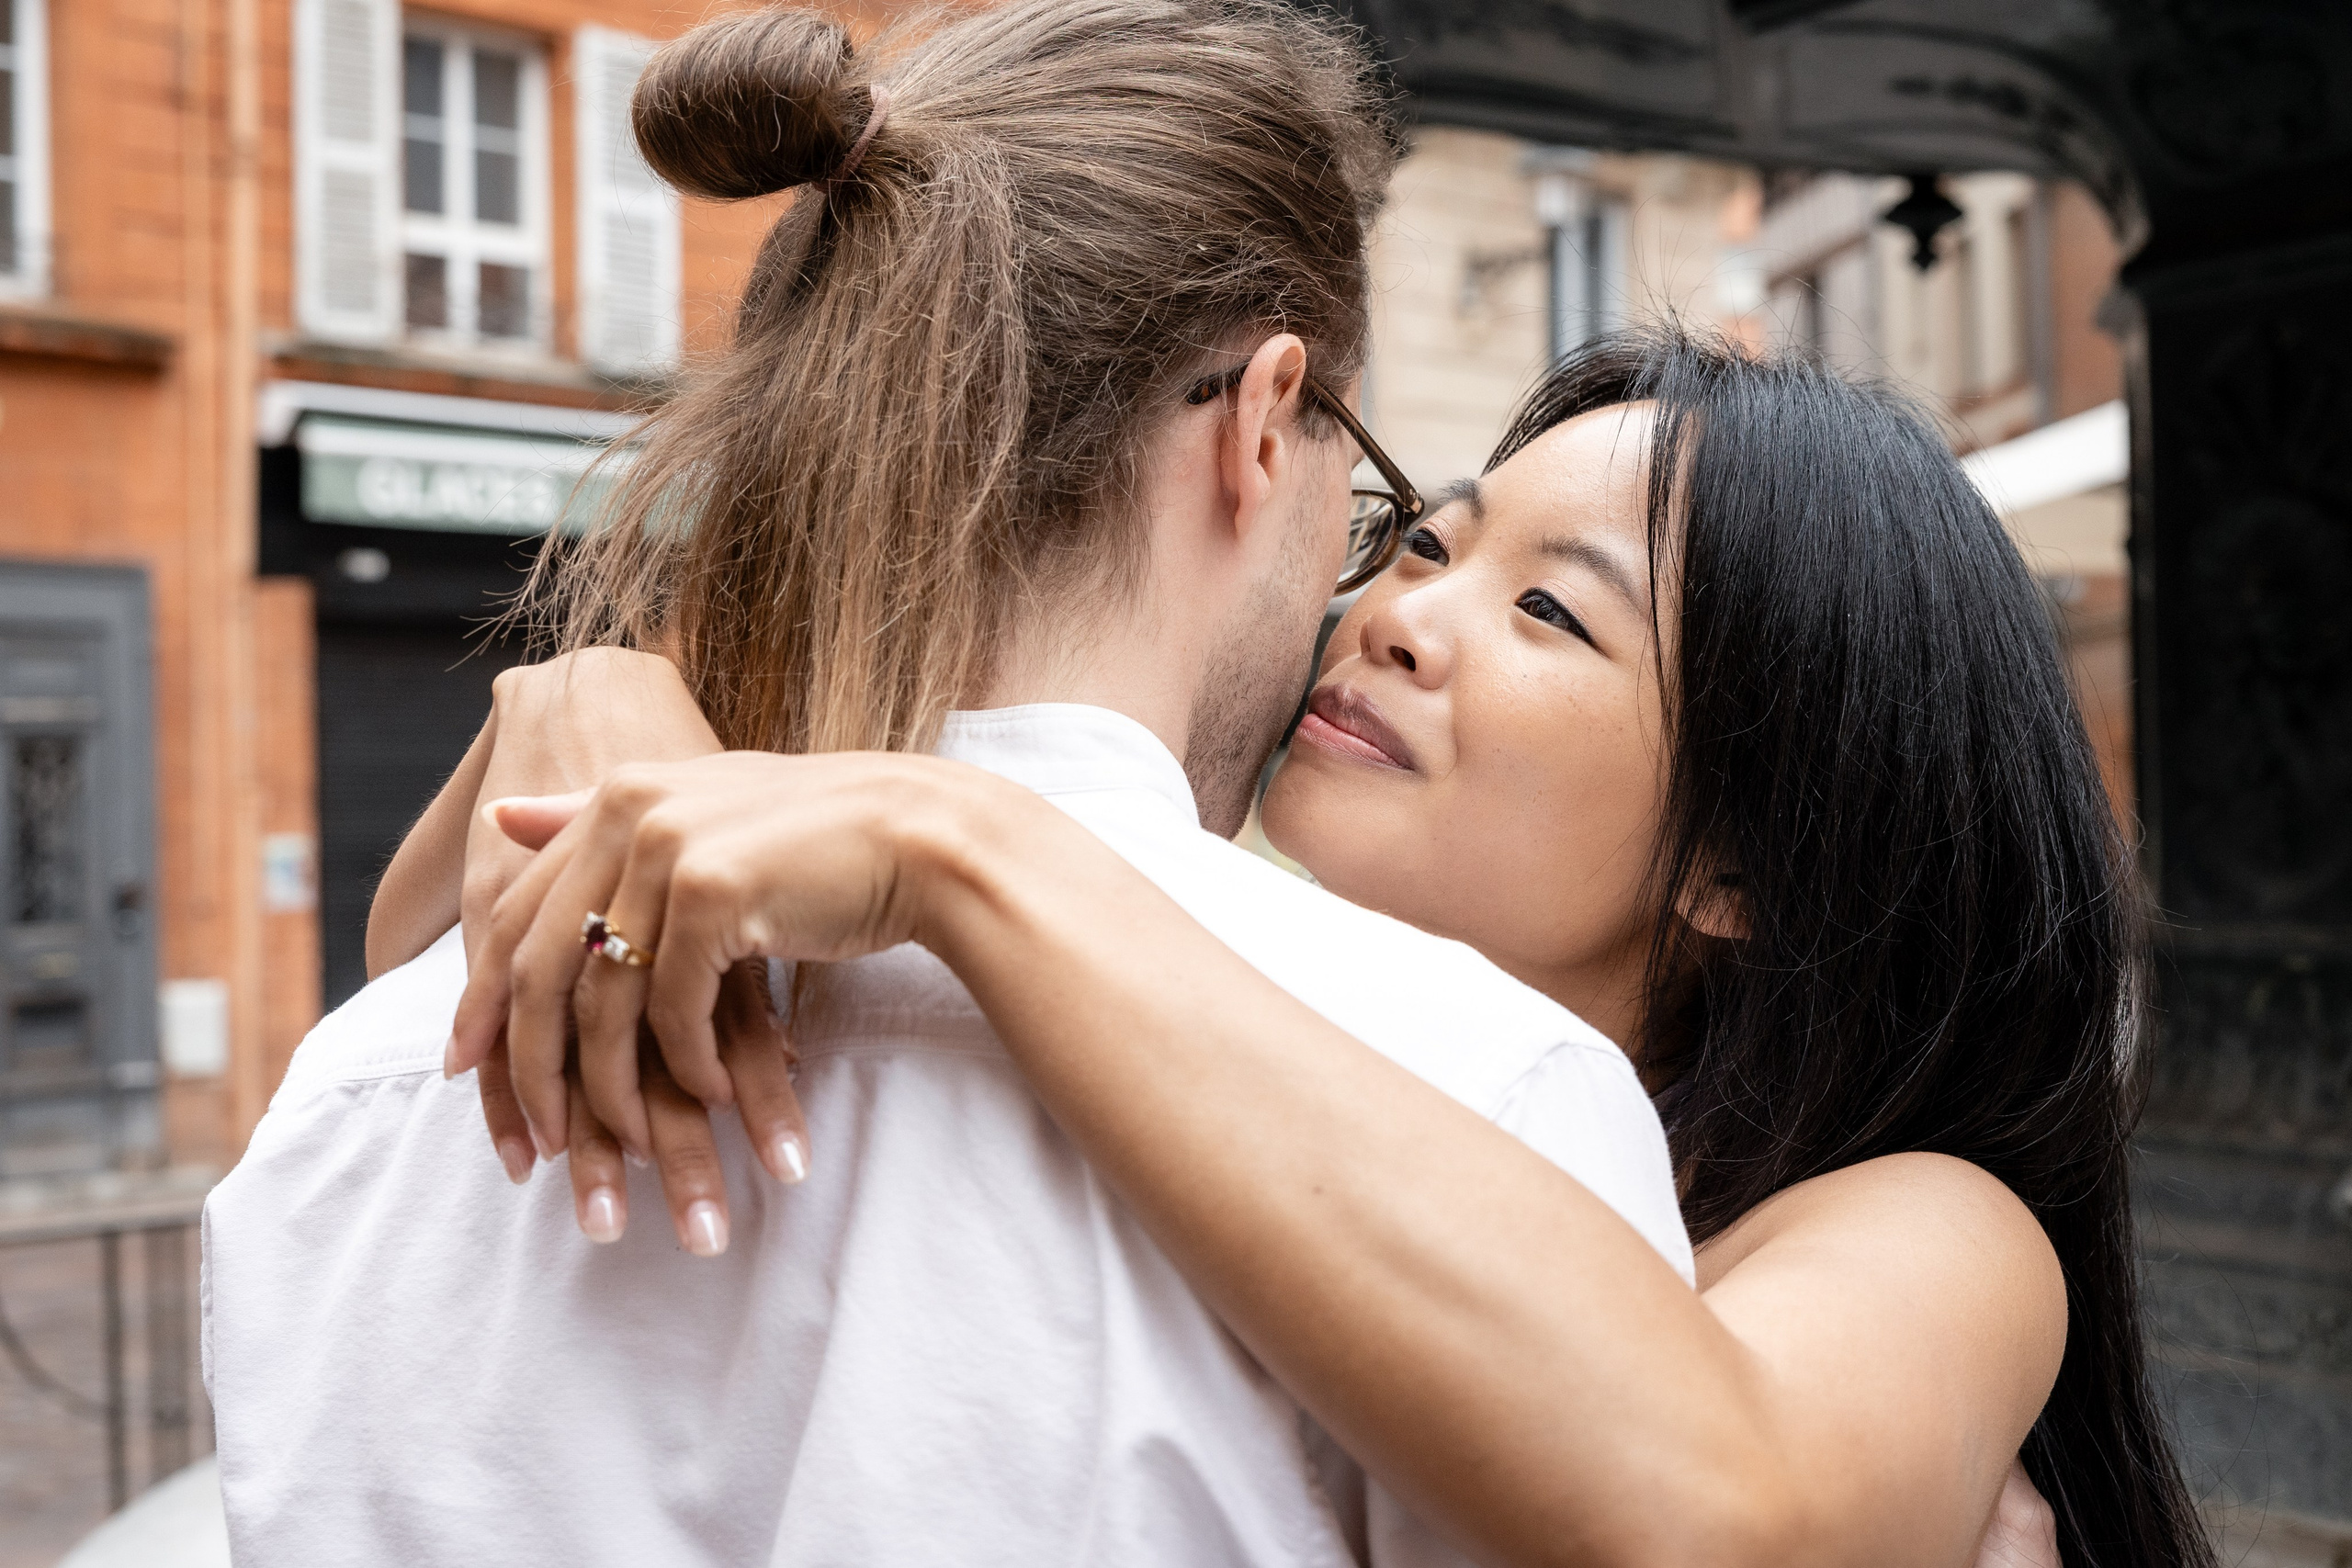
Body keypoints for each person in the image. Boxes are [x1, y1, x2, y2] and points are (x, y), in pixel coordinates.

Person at [200, 5, 1692, 1564]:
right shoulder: (1478, 1105)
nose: (1371, 598)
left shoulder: (357, 1092)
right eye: (1381, 501)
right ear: (1263, 420)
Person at [411, 332, 2217, 1568]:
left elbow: (1707, 1503)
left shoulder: (1934, 1227)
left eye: (1541, 610)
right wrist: (588, 698)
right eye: (1419, 541)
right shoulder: (1207, 1011)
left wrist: (952, 840)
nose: (1399, 615)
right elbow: (418, 986)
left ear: (1736, 857)